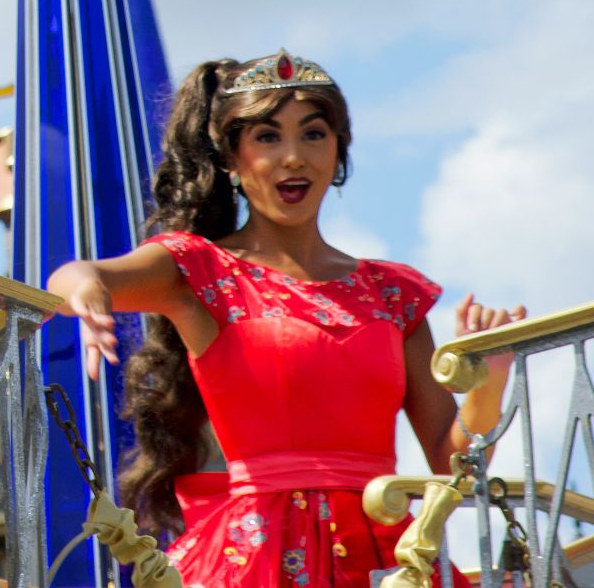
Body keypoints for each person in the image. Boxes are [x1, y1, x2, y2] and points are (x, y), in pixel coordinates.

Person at [46, 53, 525, 588]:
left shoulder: (393, 293)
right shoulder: (201, 269)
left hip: (383, 556)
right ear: (231, 159)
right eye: (268, 138)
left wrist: (489, 380)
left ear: (338, 151)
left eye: (314, 134)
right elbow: (76, 274)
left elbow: (452, 465)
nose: (294, 157)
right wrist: (86, 292)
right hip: (254, 559)